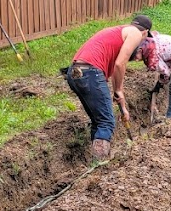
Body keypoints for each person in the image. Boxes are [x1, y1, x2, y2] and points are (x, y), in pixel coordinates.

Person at [62, 14, 152, 161]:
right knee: (106, 122)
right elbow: (120, 63)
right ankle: (100, 165)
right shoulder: (135, 33)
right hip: (89, 71)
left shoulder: (117, 32)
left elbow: (111, 78)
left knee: (99, 121)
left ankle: (96, 161)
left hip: (76, 72)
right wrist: (118, 90)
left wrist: (122, 106)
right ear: (145, 32)